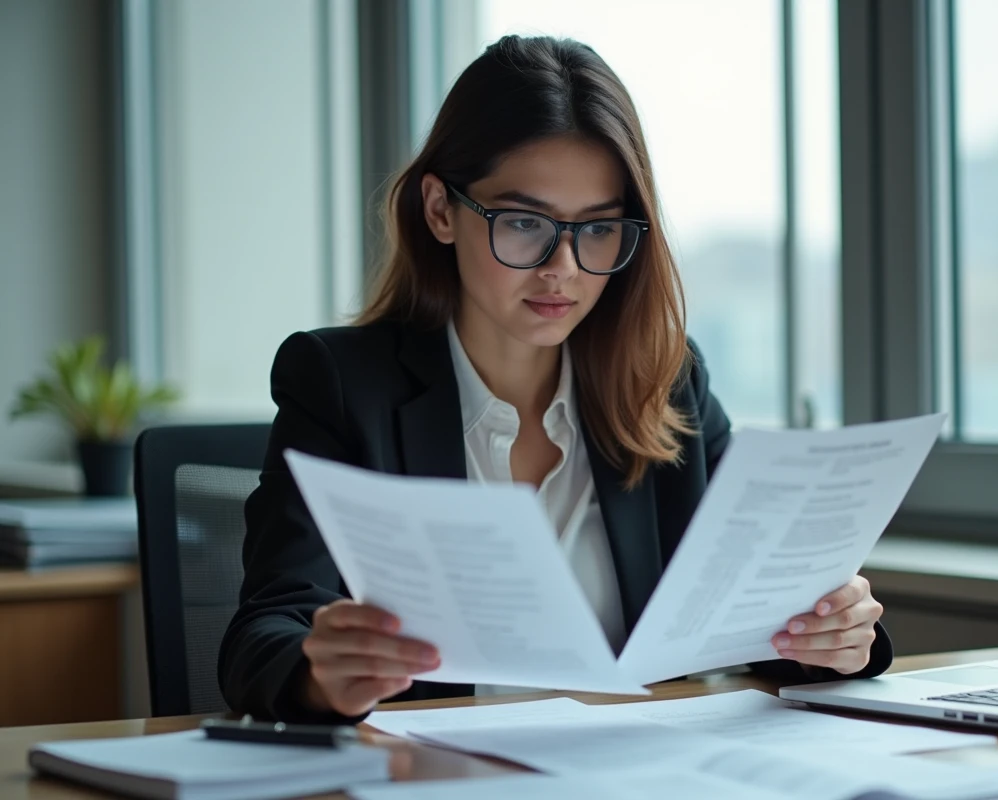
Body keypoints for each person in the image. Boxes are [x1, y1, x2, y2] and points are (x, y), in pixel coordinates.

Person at [218, 34, 890, 723]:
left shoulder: (664, 381)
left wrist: (831, 636)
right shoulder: (340, 384)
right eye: (524, 222)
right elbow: (263, 635)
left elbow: (761, 616)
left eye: (597, 230)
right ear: (441, 210)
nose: (562, 266)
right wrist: (321, 675)